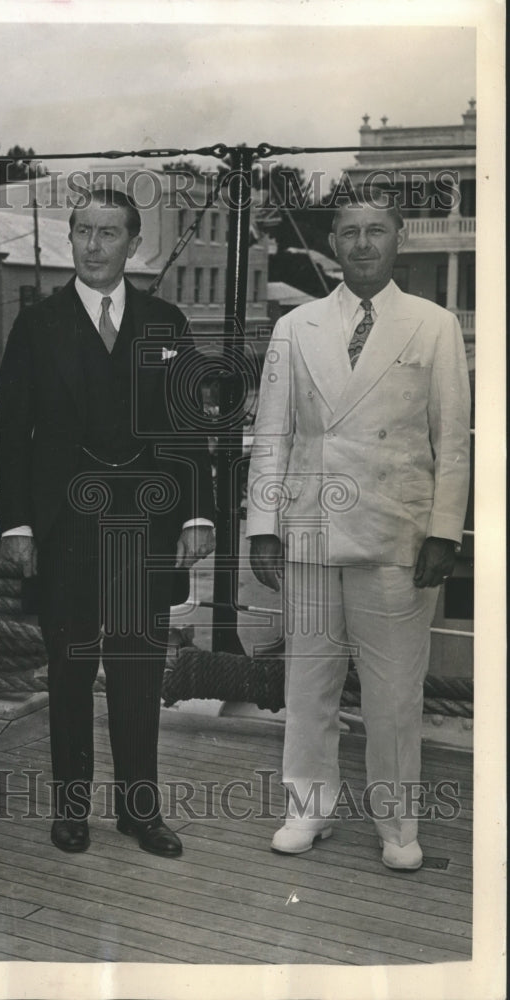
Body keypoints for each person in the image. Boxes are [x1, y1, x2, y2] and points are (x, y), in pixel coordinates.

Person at [246, 198, 471, 871]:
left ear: (398, 240)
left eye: (376, 231)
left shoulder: (434, 325)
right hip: (310, 531)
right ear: (334, 243)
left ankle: (398, 825)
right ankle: (307, 808)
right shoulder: (295, 327)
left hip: (397, 536)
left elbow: (452, 442)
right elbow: (271, 435)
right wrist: (263, 526)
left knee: (394, 693)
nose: (363, 244)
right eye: (350, 233)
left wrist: (444, 532)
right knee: (307, 683)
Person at [0, 188, 215, 857]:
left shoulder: (166, 322)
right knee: (68, 671)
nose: (93, 246)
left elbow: (187, 428)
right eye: (83, 231)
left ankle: (139, 812)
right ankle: (71, 809)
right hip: (65, 525)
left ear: (133, 243)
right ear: (70, 238)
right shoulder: (37, 325)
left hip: (146, 525)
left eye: (109, 232)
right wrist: (18, 526)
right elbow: (13, 434)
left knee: (137, 671)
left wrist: (198, 512)